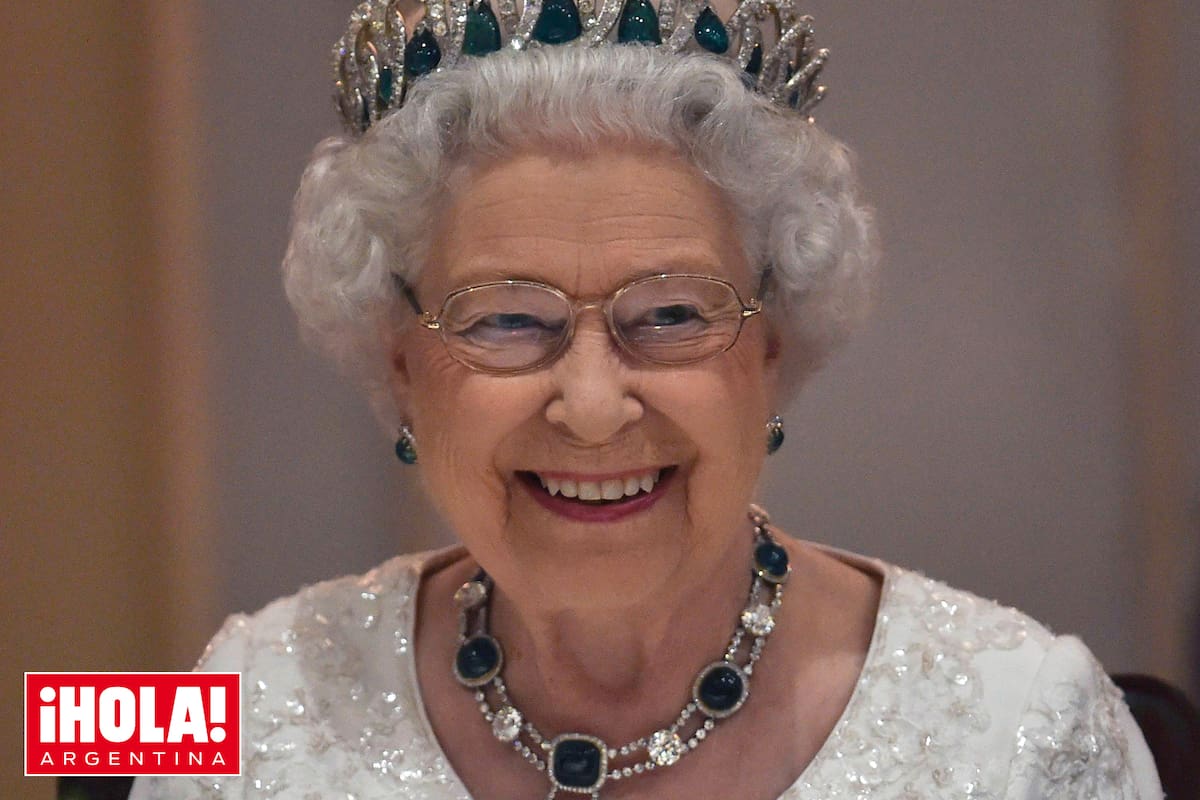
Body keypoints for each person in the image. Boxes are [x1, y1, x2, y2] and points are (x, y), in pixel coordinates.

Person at [131, 0, 1163, 797]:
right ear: (401, 361)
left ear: (770, 341)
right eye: (503, 320)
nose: (590, 404)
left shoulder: (1032, 725)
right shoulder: (237, 695)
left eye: (671, 314)